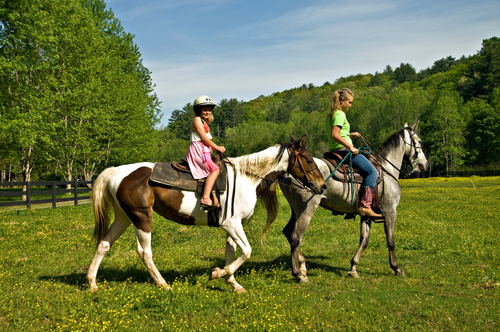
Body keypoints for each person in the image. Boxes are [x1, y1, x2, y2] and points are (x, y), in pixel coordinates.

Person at [326, 88, 383, 218]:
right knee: (372, 171)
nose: (350, 105)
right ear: (342, 101)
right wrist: (350, 147)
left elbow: (336, 133)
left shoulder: (331, 115)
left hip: (334, 150)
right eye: (349, 102)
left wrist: (350, 134)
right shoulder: (340, 115)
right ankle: (365, 206)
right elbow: (335, 134)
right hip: (344, 151)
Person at [186, 95, 226, 208]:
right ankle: (205, 197)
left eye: (209, 110)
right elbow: (204, 138)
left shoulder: (204, 122)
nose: (207, 112)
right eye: (205, 109)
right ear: (199, 110)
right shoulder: (197, 120)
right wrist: (217, 147)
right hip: (198, 152)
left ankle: (214, 195)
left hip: (205, 152)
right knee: (214, 170)